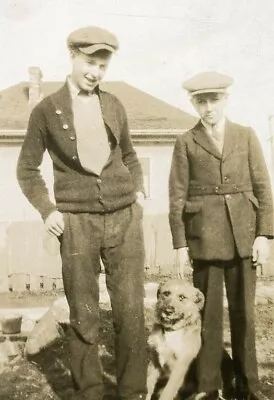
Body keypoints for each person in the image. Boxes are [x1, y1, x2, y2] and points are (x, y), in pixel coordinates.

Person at [17, 26, 147, 400]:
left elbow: (131, 156)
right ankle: (89, 391)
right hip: (76, 223)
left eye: (102, 66)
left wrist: (137, 190)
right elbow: (26, 169)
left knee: (130, 312)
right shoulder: (46, 110)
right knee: (84, 314)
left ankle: (133, 392)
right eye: (90, 62)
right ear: (72, 57)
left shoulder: (114, 104)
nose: (96, 72)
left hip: (124, 217)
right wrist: (46, 210)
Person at [168, 71, 273, 400]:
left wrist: (264, 235)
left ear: (226, 99)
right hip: (204, 241)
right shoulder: (186, 141)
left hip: (243, 237)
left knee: (245, 318)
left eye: (214, 100)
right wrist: (181, 245)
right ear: (193, 103)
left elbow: (263, 188)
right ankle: (208, 387)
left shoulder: (246, 135)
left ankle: (248, 386)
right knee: (208, 320)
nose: (208, 107)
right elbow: (177, 196)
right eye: (201, 101)